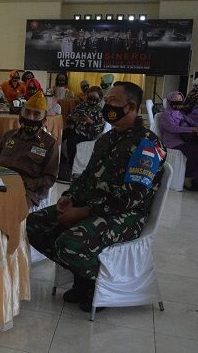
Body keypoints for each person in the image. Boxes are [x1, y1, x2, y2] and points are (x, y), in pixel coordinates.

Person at [27, 82, 166, 313]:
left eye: (113, 101)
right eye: (107, 100)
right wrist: (69, 197)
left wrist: (83, 212)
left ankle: (95, 282)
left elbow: (133, 197)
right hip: (92, 205)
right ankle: (82, 275)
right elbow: (87, 177)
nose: (106, 105)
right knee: (34, 224)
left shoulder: (147, 144)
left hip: (126, 215)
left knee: (69, 243)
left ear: (131, 107)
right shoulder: (107, 139)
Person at [0, 91, 60, 208]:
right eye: (27, 112)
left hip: (26, 190)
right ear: (20, 114)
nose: (30, 117)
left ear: (44, 120)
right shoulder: (7, 136)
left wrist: (25, 183)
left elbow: (49, 178)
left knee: (8, 208)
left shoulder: (49, 143)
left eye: (36, 114)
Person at [159, 91, 198, 191]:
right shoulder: (165, 115)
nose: (178, 102)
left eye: (180, 100)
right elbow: (173, 128)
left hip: (183, 141)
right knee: (195, 152)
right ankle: (188, 180)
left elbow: (192, 121)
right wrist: (192, 129)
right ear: (169, 101)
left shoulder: (179, 114)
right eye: (176, 100)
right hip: (172, 143)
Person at [63, 86, 106, 166]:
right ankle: (59, 158)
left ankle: (72, 164)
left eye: (94, 98)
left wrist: (91, 122)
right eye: (89, 97)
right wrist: (72, 118)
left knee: (71, 141)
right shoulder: (81, 106)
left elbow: (99, 129)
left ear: (99, 98)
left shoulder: (100, 111)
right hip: (76, 129)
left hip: (88, 134)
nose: (91, 100)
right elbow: (69, 118)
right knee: (60, 135)